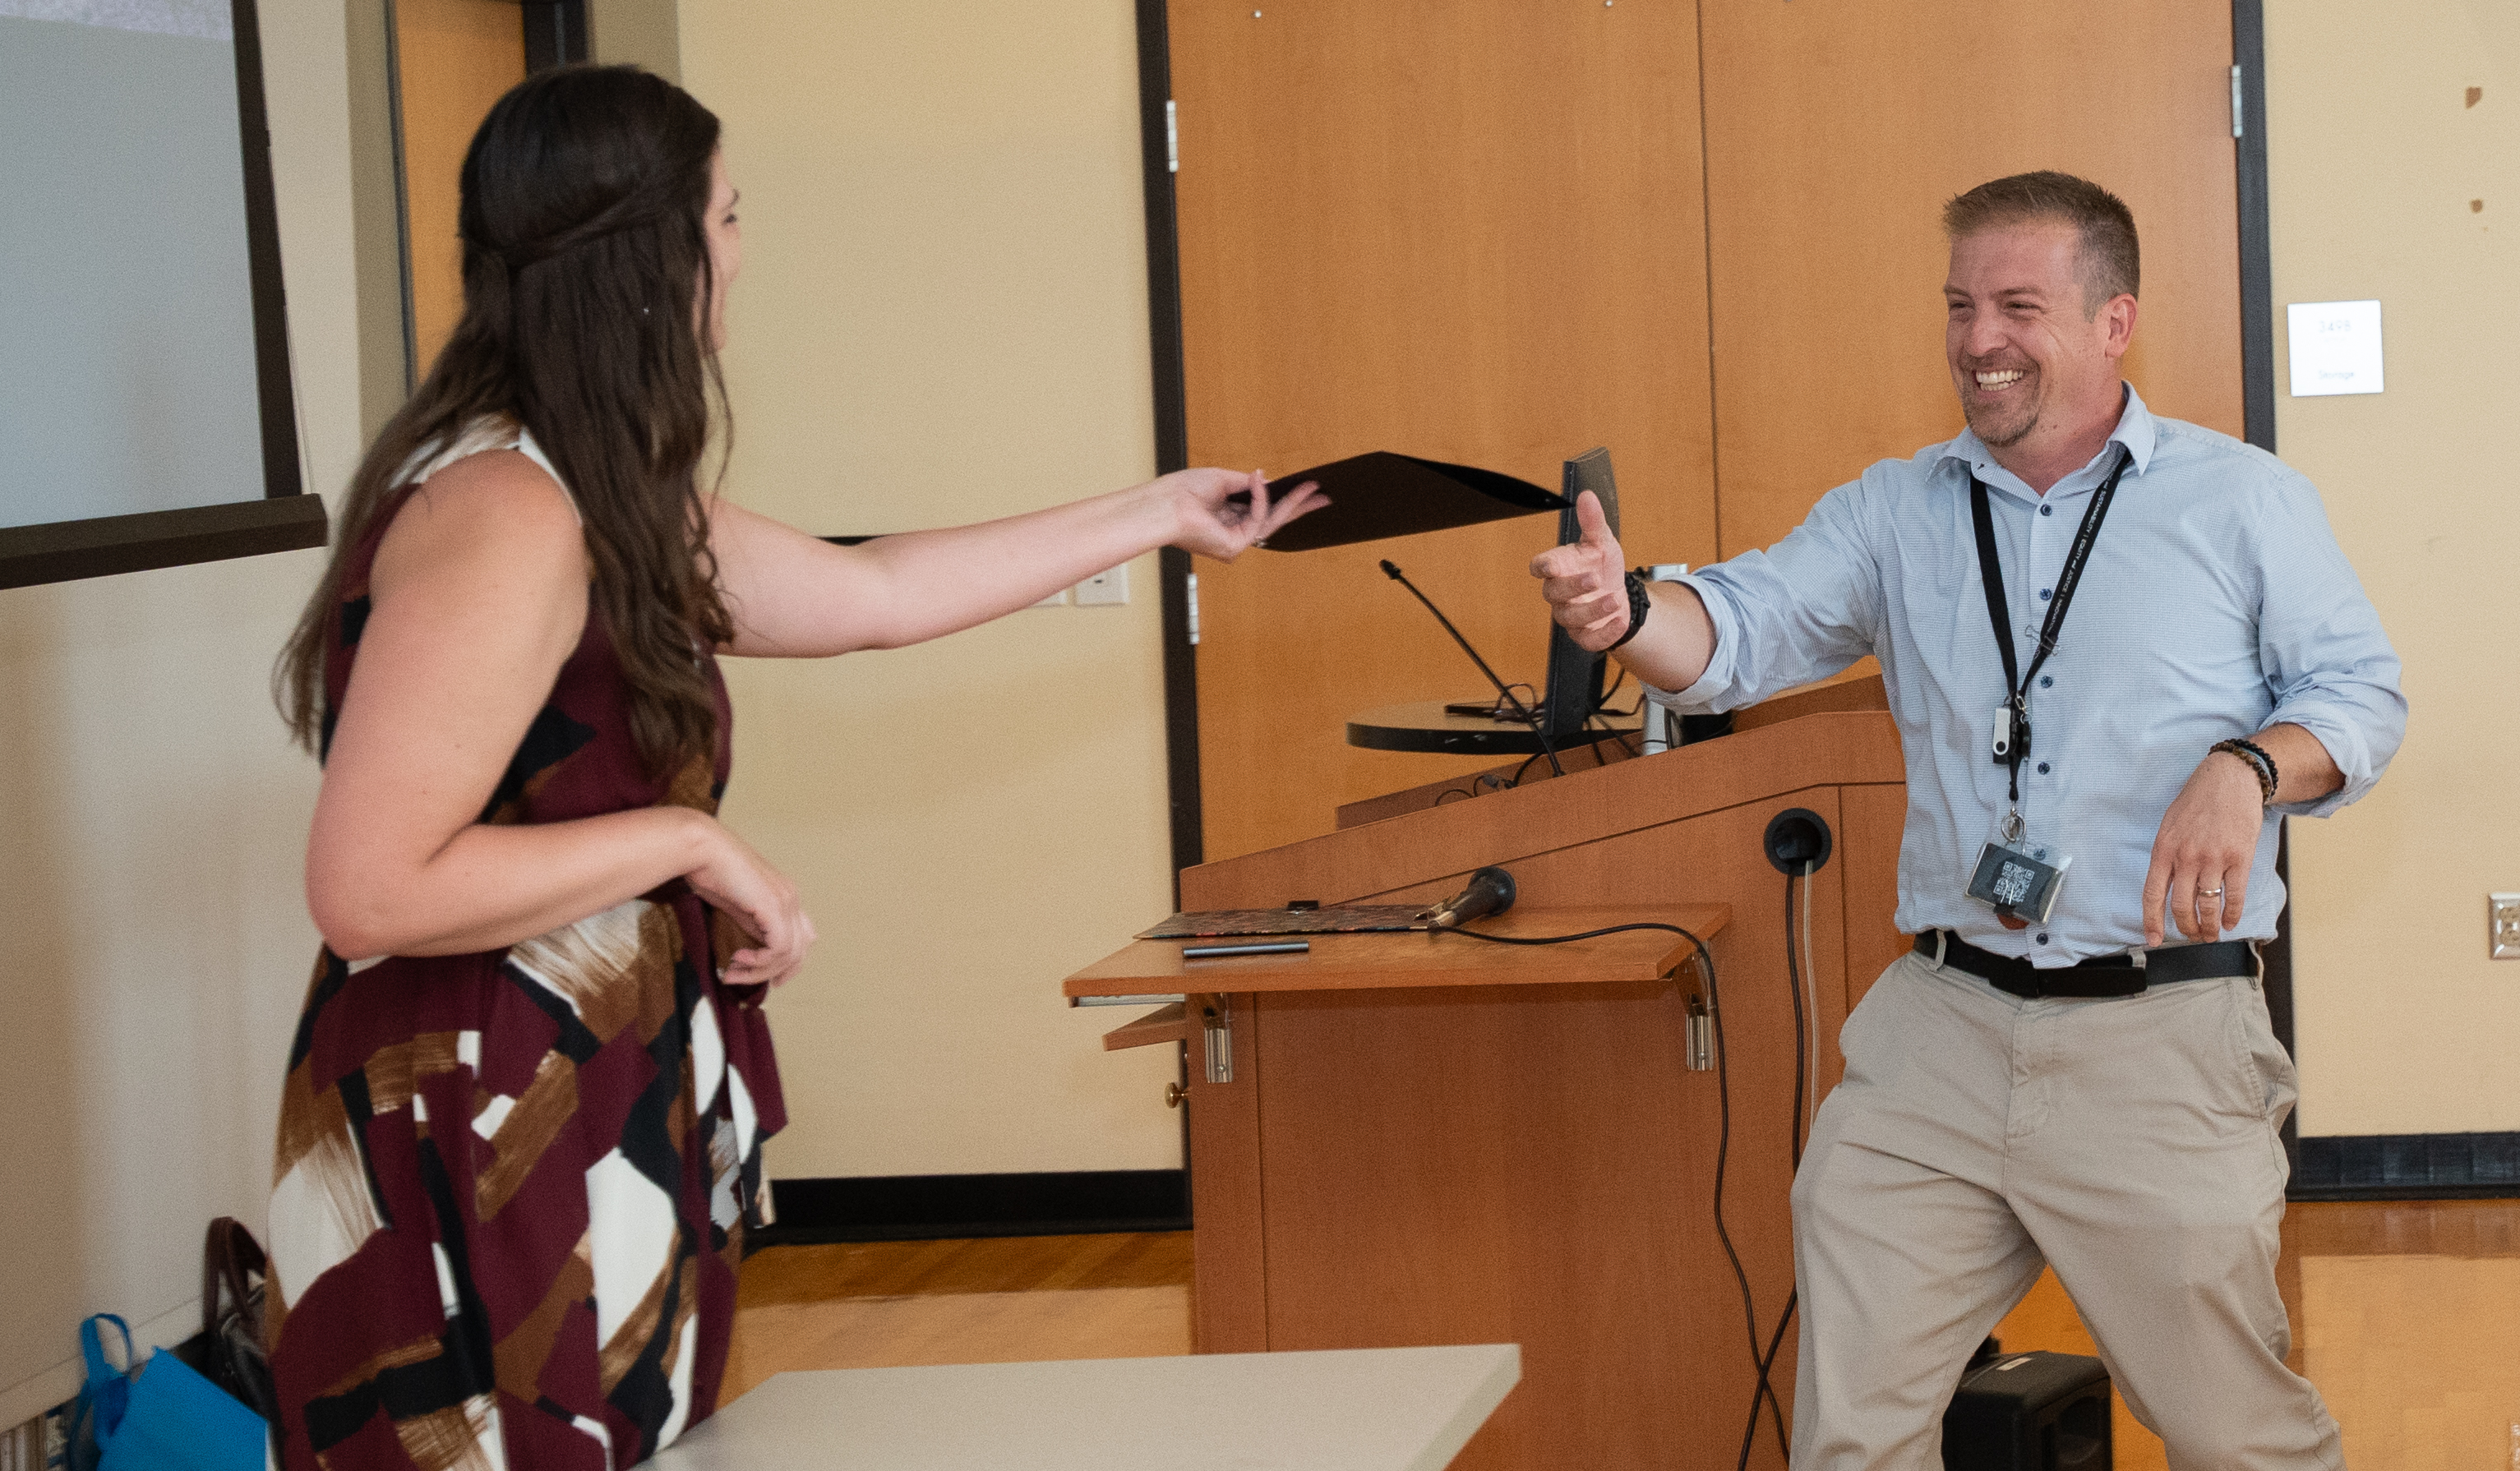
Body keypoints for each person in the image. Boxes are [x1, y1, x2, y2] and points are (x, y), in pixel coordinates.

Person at [263, 64, 1321, 1470]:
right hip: (478, 1106)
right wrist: (691, 842)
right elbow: (370, 886)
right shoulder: (508, 511)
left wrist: (1159, 512)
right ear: (654, 257)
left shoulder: (591, 486)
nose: (741, 251)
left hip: (580, 1078)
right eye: (729, 216)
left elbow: (869, 592)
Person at [1534, 171, 2400, 1468]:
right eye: (1957, 306)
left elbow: (2359, 696)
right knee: (1854, 1433)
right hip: (1941, 1027)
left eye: (2015, 306)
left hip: (2158, 1034)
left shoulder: (2239, 500)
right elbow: (1738, 633)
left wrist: (2247, 765)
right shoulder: (1894, 509)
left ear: (2113, 323)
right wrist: (1629, 611)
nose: (1977, 339)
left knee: (2236, 1439)